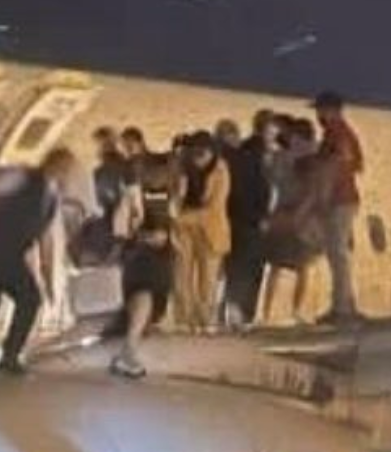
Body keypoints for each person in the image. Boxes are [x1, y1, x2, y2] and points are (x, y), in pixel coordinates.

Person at [0, 147, 81, 380]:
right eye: (65, 168)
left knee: (30, 298)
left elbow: (45, 239)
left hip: (10, 255)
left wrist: (47, 279)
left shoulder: (51, 196)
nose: (67, 174)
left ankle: (10, 355)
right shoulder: (20, 176)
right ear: (51, 162)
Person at [106, 142, 178, 379]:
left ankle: (127, 353)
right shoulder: (147, 193)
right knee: (144, 299)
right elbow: (125, 227)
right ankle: (128, 353)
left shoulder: (146, 192)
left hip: (148, 256)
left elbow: (121, 227)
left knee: (144, 304)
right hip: (146, 257)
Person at [258, 118, 324, 326]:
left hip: (299, 216)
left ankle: (285, 311)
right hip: (290, 214)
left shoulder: (307, 158)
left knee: (295, 265)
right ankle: (272, 312)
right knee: (284, 264)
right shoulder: (286, 156)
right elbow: (273, 178)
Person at [311, 90, 365, 323]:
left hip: (339, 200)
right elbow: (358, 165)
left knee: (337, 254)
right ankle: (345, 304)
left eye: (320, 111)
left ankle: (342, 308)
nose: (318, 116)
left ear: (331, 111)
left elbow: (336, 163)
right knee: (338, 254)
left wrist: (323, 195)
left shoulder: (337, 133)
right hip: (344, 199)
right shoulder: (342, 133)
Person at [220, 111, 277, 328]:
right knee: (249, 267)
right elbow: (260, 187)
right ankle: (241, 315)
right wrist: (262, 216)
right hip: (251, 219)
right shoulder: (256, 153)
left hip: (236, 217)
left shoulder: (242, 151)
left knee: (235, 266)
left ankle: (229, 312)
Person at [172, 131, 231, 331]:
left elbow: (215, 206)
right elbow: (173, 197)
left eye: (203, 154)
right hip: (184, 230)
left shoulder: (220, 170)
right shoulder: (181, 166)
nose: (198, 159)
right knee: (182, 275)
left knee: (208, 278)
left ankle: (206, 320)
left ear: (211, 153)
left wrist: (181, 218)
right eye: (195, 153)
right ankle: (184, 319)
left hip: (210, 228)